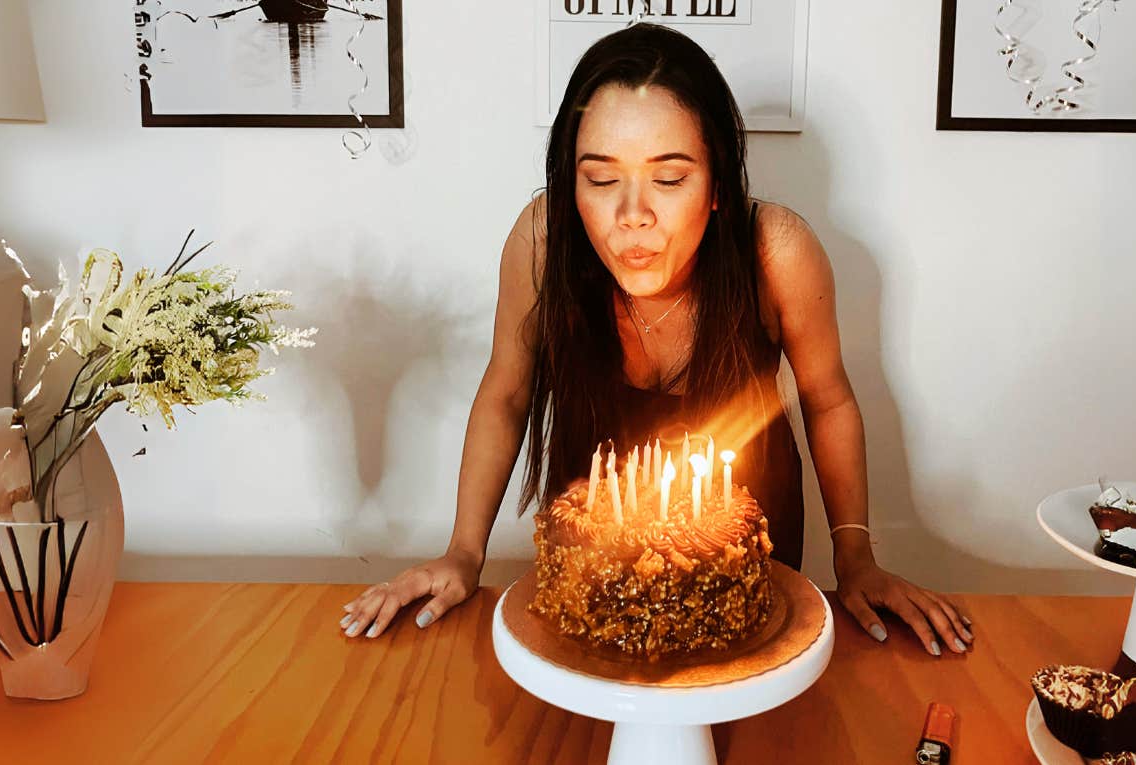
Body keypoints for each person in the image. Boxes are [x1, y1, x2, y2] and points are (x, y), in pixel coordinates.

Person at [340, 23, 974, 656]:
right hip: (596, 577)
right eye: (600, 179)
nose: (632, 214)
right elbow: (505, 395)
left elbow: (829, 401)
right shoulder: (541, 242)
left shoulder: (777, 251)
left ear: (720, 184)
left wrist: (856, 559)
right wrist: (463, 553)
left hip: (752, 564)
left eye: (669, 180)